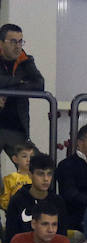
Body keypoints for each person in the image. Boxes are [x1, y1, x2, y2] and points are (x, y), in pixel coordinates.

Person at [6, 153, 67, 243]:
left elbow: (62, 237)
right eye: (40, 174)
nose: (46, 179)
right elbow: (10, 238)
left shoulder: (58, 202)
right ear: (30, 175)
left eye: (49, 174)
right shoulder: (17, 201)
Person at [0, 23, 43, 159]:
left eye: (20, 41)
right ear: (1, 43)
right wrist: (20, 81)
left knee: (38, 166)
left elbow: (40, 84)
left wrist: (7, 89)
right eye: (13, 42)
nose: (18, 46)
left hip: (16, 128)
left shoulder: (25, 60)